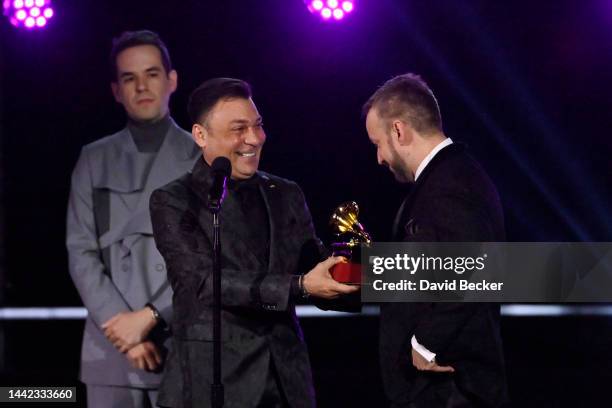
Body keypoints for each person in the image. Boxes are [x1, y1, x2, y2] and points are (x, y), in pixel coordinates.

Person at [150, 77, 358, 408]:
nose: (254, 139)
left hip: (287, 381)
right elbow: (203, 282)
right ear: (201, 135)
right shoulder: (175, 200)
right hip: (215, 381)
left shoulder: (286, 193)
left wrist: (359, 267)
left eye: (258, 125)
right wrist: (300, 286)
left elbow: (315, 269)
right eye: (238, 129)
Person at [66, 30, 200, 407]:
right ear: (115, 90)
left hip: (181, 342)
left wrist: (151, 317)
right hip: (111, 347)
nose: (141, 86)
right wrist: (125, 327)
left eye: (152, 73)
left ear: (172, 80)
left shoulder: (200, 157)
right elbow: (80, 252)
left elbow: (210, 258)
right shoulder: (92, 159)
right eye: (129, 77)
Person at [363, 73, 508, 407]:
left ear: (398, 130)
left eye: (378, 144)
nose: (379, 158)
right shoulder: (448, 178)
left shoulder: (450, 184)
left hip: (452, 389)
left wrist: (425, 342)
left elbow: (478, 269)